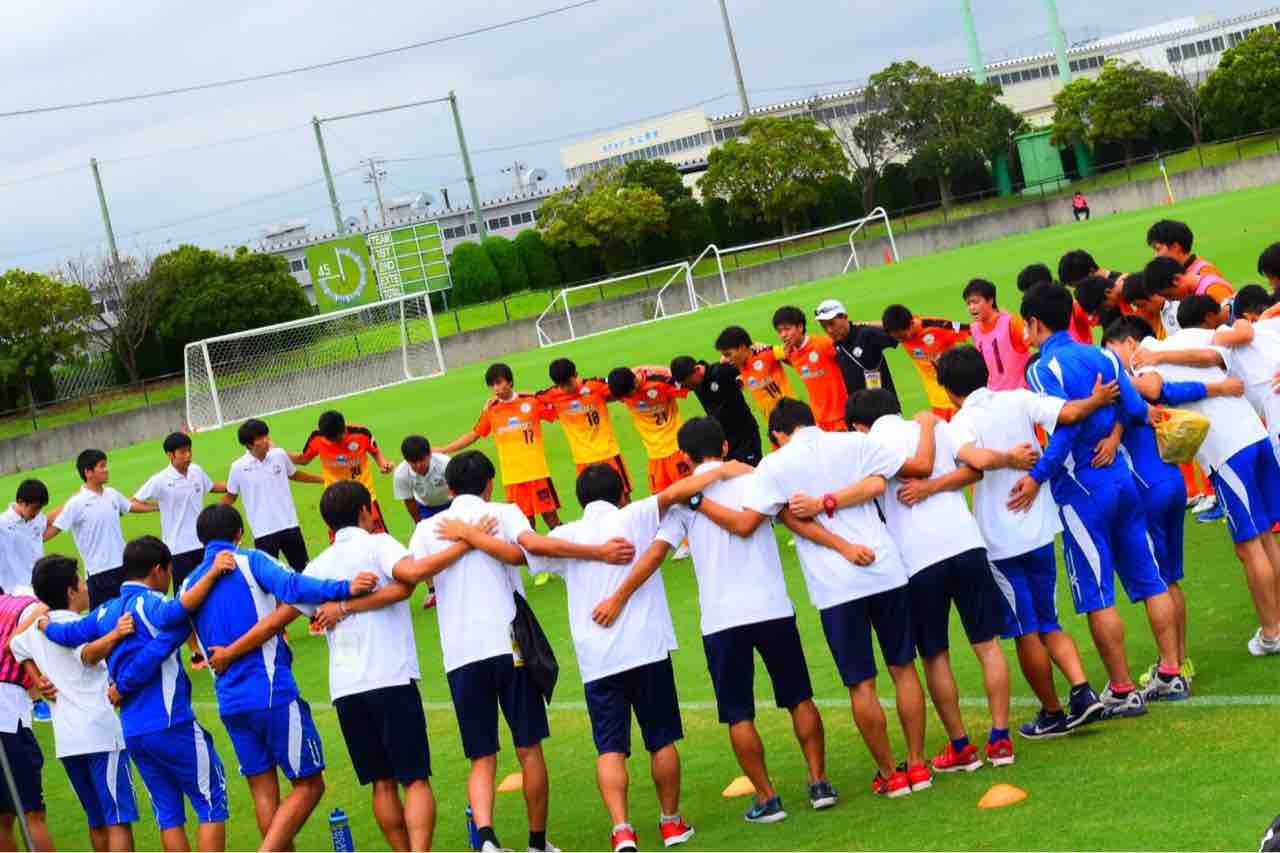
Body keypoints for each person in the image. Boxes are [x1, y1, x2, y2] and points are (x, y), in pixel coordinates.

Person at [440, 454, 761, 850]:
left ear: (579, 499)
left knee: (610, 748)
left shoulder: (570, 534)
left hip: (598, 660)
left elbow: (520, 554)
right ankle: (671, 824)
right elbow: (678, 491)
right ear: (621, 491)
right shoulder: (636, 516)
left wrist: (469, 535)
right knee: (661, 740)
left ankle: (622, 829)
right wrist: (724, 469)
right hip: (647, 649)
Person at [595, 417, 834, 822]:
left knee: (738, 712)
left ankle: (767, 797)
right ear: (724, 446)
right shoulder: (754, 479)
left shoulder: (688, 500)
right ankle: (819, 783)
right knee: (799, 697)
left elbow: (654, 555)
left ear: (685, 458)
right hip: (773, 607)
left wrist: (617, 597)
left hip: (722, 621)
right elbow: (794, 521)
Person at [693, 398, 931, 799]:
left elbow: (780, 519)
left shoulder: (775, 465)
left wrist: (838, 540)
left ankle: (890, 773)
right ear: (813, 420)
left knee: (862, 684)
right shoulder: (852, 443)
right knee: (904, 668)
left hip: (836, 585)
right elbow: (885, 479)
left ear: (779, 434)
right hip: (886, 568)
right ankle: (919, 765)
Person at [208, 481, 448, 853]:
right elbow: (410, 577)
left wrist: (228, 653)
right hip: (391, 676)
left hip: (346, 689)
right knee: (415, 779)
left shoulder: (318, 564)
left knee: (381, 783)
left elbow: (274, 622)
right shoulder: (380, 543)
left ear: (329, 525)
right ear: (366, 511)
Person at [123, 505, 377, 851]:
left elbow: (167, 640)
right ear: (239, 533)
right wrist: (345, 586)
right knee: (310, 784)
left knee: (263, 789)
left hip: (230, 702)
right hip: (271, 690)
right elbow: (293, 585)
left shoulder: (190, 582)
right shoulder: (249, 560)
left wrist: (122, 682)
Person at [1010, 284, 1185, 715]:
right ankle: (1171, 672)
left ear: (1035, 322)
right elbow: (1136, 407)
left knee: (1096, 592)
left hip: (1081, 489)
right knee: (1150, 579)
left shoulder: (1041, 369)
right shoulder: (1102, 355)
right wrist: (1113, 434)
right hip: (1121, 479)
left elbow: (1064, 424)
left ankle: (1123, 689)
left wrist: (1036, 477)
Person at [927, 346, 1109, 736]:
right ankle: (1083, 691)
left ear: (947, 389)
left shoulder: (960, 421)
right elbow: (1071, 413)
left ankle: (1052, 712)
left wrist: (1008, 459)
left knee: (1026, 629)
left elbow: (976, 459)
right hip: (1041, 526)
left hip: (1000, 540)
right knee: (1049, 619)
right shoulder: (1018, 397)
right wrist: (1097, 399)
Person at [404, 452, 577, 853]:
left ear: (448, 488)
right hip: (509, 644)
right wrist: (475, 537)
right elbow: (525, 555)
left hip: (461, 654)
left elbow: (418, 573)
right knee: (528, 745)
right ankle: (537, 844)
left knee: (481, 754)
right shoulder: (504, 512)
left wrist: (463, 536)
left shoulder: (428, 528)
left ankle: (486, 840)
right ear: (489, 483)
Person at [844, 389, 1015, 770]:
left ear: (858, 424)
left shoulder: (867, 445)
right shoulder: (935, 426)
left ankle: (960, 746)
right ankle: (1001, 738)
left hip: (918, 560)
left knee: (935, 655)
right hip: (967, 543)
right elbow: (974, 469)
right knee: (987, 645)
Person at [41, 536, 234, 853]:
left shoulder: (107, 612)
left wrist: (45, 624)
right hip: (173, 722)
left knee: (169, 815)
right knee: (211, 800)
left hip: (134, 730)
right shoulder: (153, 604)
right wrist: (211, 575)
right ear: (159, 570)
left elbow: (69, 633)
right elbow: (181, 610)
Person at [1128, 296, 1280, 657]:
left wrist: (1140, 371)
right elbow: (1213, 359)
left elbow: (1151, 390)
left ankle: (1273, 631)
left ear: (1130, 342)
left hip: (1228, 451)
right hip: (1254, 437)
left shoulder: (1141, 358)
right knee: (1266, 540)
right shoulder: (1196, 337)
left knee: (1249, 546)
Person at [1102, 316, 1248, 689]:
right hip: (1172, 484)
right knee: (1170, 580)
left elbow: (1151, 388)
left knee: (1156, 583)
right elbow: (1172, 388)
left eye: (1113, 348)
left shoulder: (1115, 382)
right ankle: (1179, 663)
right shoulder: (1138, 382)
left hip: (1144, 489)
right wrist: (1219, 389)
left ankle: (1169, 671)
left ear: (1127, 342)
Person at [13, 555, 138, 852]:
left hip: (68, 741)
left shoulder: (34, 630)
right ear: (71, 591)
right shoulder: (81, 626)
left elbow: (14, 647)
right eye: (80, 581)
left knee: (96, 820)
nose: (85, 586)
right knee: (117, 820)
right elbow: (88, 654)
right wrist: (116, 634)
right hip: (101, 734)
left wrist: (38, 678)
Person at [132, 432, 226, 670]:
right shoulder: (161, 480)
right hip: (177, 549)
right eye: (182, 452)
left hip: (203, 545)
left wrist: (236, 485)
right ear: (170, 455)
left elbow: (212, 486)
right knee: (185, 601)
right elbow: (134, 501)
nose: (187, 455)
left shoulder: (196, 471)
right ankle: (195, 651)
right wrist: (157, 508)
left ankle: (217, 640)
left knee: (214, 592)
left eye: (189, 450)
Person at [440, 363, 562, 531]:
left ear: (510, 382)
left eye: (498, 382)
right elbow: (474, 435)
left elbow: (558, 407)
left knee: (553, 521)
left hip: (537, 473)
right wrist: (444, 449)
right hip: (513, 479)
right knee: (525, 526)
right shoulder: (491, 410)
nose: (495, 388)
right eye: (492, 385)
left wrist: (535, 394)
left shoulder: (531, 402)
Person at [44, 449, 144, 608]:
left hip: (124, 567)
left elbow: (131, 506)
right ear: (88, 472)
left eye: (106, 465)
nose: (106, 469)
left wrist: (159, 507)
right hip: (99, 573)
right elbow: (53, 530)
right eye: (102, 466)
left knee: (133, 613)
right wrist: (29, 540)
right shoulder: (76, 503)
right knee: (104, 622)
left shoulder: (112, 494)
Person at [223, 418, 325, 571]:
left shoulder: (279, 455)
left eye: (266, 436)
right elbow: (230, 497)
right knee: (268, 580)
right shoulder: (237, 467)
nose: (266, 441)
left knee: (303, 571)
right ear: (249, 444)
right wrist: (210, 519)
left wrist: (323, 480)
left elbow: (294, 474)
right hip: (263, 532)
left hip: (290, 525)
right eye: (260, 438)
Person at [0, 589, 57, 852]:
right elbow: (44, 607)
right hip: (9, 717)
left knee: (3, 817)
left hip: (11, 710)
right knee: (32, 812)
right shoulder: (16, 604)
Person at [538, 358, 632, 504]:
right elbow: (528, 398)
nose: (567, 389)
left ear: (576, 374)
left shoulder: (595, 385)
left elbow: (621, 385)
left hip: (609, 454)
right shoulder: (551, 395)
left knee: (623, 501)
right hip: (582, 460)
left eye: (568, 383)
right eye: (562, 386)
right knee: (593, 505)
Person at [294, 410, 393, 537]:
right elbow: (304, 459)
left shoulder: (361, 433)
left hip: (364, 496)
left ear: (344, 428)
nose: (336, 442)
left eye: (339, 438)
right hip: (335, 501)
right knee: (341, 545)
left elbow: (374, 451)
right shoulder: (317, 438)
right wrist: (278, 453)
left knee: (379, 539)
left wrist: (383, 464)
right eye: (331, 440)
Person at [606, 365, 692, 491]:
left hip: (676, 449)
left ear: (635, 383)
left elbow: (688, 384)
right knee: (660, 501)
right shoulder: (621, 388)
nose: (625, 401)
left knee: (689, 494)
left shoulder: (659, 381)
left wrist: (661, 370)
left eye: (627, 396)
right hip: (654, 455)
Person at [881, 304, 970, 420]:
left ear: (912, 323)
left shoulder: (938, 326)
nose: (901, 340)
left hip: (958, 396)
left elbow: (971, 329)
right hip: (937, 401)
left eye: (903, 336)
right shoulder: (897, 329)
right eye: (898, 338)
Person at [670, 355, 762, 466]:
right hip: (723, 441)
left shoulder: (720, 372)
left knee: (753, 474)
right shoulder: (691, 380)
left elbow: (747, 364)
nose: (689, 388)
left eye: (690, 384)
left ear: (697, 370)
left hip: (745, 436)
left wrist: (741, 379)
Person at [393, 434, 450, 608]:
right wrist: (420, 523)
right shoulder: (401, 474)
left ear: (429, 455)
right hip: (426, 507)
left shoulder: (445, 464)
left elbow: (459, 487)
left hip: (451, 502)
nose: (418, 466)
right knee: (423, 548)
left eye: (422, 460)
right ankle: (433, 591)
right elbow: (409, 500)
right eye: (413, 462)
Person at [771, 306, 849, 432]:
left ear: (800, 327)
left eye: (787, 329)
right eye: (779, 331)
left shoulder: (824, 344)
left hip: (842, 417)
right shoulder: (790, 353)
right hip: (818, 421)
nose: (783, 335)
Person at [813, 299, 900, 397]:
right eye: (824, 326)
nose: (829, 330)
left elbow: (898, 327)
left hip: (885, 406)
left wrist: (862, 323)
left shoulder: (867, 334)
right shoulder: (835, 346)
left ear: (845, 317)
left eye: (832, 323)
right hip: (858, 408)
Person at [714, 326, 794, 422]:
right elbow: (722, 362)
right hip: (772, 422)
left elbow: (794, 354)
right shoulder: (738, 365)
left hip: (791, 414)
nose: (726, 359)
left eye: (728, 354)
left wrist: (768, 347)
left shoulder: (765, 352)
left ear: (742, 347)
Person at [962, 279, 1030, 390]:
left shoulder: (1011, 323)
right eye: (968, 303)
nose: (971, 307)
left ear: (990, 301)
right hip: (994, 397)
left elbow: (1039, 344)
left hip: (1021, 396)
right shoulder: (974, 329)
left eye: (976, 302)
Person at [1147, 218, 1232, 291]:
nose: (1155, 256)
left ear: (1175, 247)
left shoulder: (1205, 274)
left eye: (1157, 249)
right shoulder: (1179, 272)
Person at [0, 480, 49, 595]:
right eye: (35, 508)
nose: (37, 512)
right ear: (21, 502)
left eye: (40, 508)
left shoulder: (38, 518)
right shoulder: (3, 523)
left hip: (38, 586)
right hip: (13, 592)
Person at [1121, 272, 1179, 340]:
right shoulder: (1162, 313)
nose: (1143, 310)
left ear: (1151, 294)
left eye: (1142, 305)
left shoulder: (1177, 307)